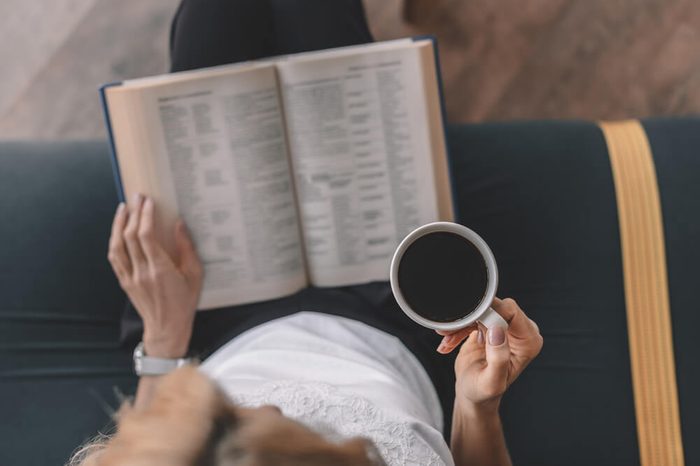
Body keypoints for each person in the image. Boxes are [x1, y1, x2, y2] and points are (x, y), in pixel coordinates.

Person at [70, 1, 543, 465]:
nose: (273, 401)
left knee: (209, 21)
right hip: (399, 319)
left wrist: (164, 339)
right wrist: (475, 406)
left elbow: (152, 435)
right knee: (321, 23)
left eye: (227, 409)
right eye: (239, 417)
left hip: (205, 327)